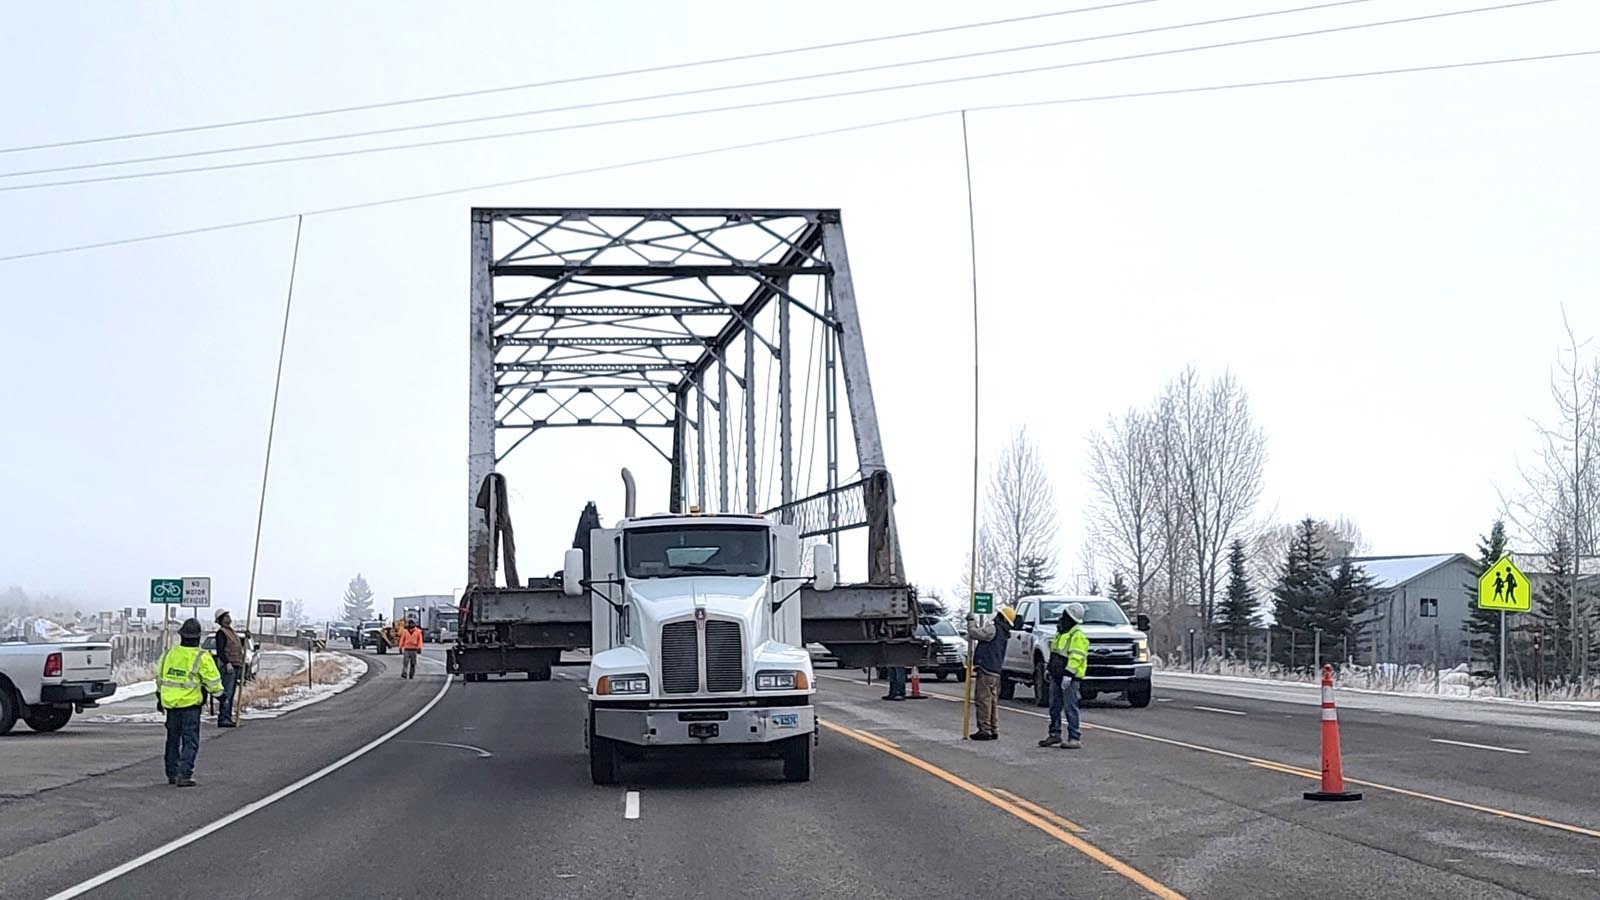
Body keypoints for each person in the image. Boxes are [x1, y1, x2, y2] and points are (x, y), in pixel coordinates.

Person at [156, 618, 224, 786]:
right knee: (189, 741)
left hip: (171, 705)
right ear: (198, 637)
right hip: (190, 707)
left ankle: (171, 773)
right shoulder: (202, 657)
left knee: (172, 740)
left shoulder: (169, 654)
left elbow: (160, 679)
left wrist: (159, 698)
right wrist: (221, 695)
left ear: (182, 636)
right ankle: (184, 774)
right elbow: (212, 681)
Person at [1039, 602, 1089, 750]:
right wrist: (1050, 669)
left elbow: (1077, 656)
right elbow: (1055, 653)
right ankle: (1054, 733)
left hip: (1069, 677)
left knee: (1070, 707)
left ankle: (1074, 737)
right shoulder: (1062, 633)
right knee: (1054, 706)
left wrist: (1069, 673)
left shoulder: (1077, 635)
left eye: (1065, 615)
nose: (1062, 618)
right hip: (1057, 675)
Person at [966, 605, 1016, 740]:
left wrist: (971, 621)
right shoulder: (1004, 633)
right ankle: (993, 728)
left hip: (986, 668)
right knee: (991, 701)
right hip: (995, 670)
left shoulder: (993, 629)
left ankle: (984, 730)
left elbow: (975, 634)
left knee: (983, 700)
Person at [212, 610, 244, 727]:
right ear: (221, 620)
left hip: (235, 665)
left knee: (231, 693)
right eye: (226, 617)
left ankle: (228, 716)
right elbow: (221, 651)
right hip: (228, 667)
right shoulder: (221, 633)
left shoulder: (231, 632)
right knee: (227, 693)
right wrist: (227, 663)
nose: (229, 618)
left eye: (228, 616)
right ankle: (224, 718)